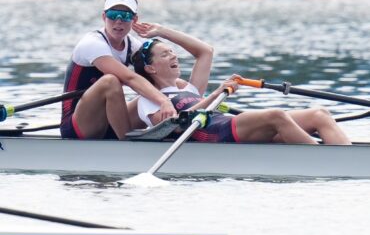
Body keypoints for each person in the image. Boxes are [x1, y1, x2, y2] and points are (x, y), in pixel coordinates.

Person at [131, 22, 351, 145]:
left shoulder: (189, 89)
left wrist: (162, 31)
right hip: (216, 134)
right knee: (275, 115)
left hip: (231, 124)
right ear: (150, 68)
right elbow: (173, 127)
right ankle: (325, 158)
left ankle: (348, 157)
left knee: (319, 114)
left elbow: (205, 52)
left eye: (172, 51)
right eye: (165, 55)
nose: (174, 56)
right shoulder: (148, 100)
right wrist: (217, 93)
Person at [60, 0, 176, 140]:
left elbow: (157, 75)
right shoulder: (92, 43)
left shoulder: (132, 46)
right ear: (104, 17)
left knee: (161, 81)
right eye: (113, 15)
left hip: (108, 122)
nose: (118, 21)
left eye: (126, 16)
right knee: (110, 81)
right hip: (77, 126)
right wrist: (163, 101)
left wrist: (162, 31)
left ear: (134, 20)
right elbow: (130, 78)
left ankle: (178, 126)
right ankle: (126, 143)